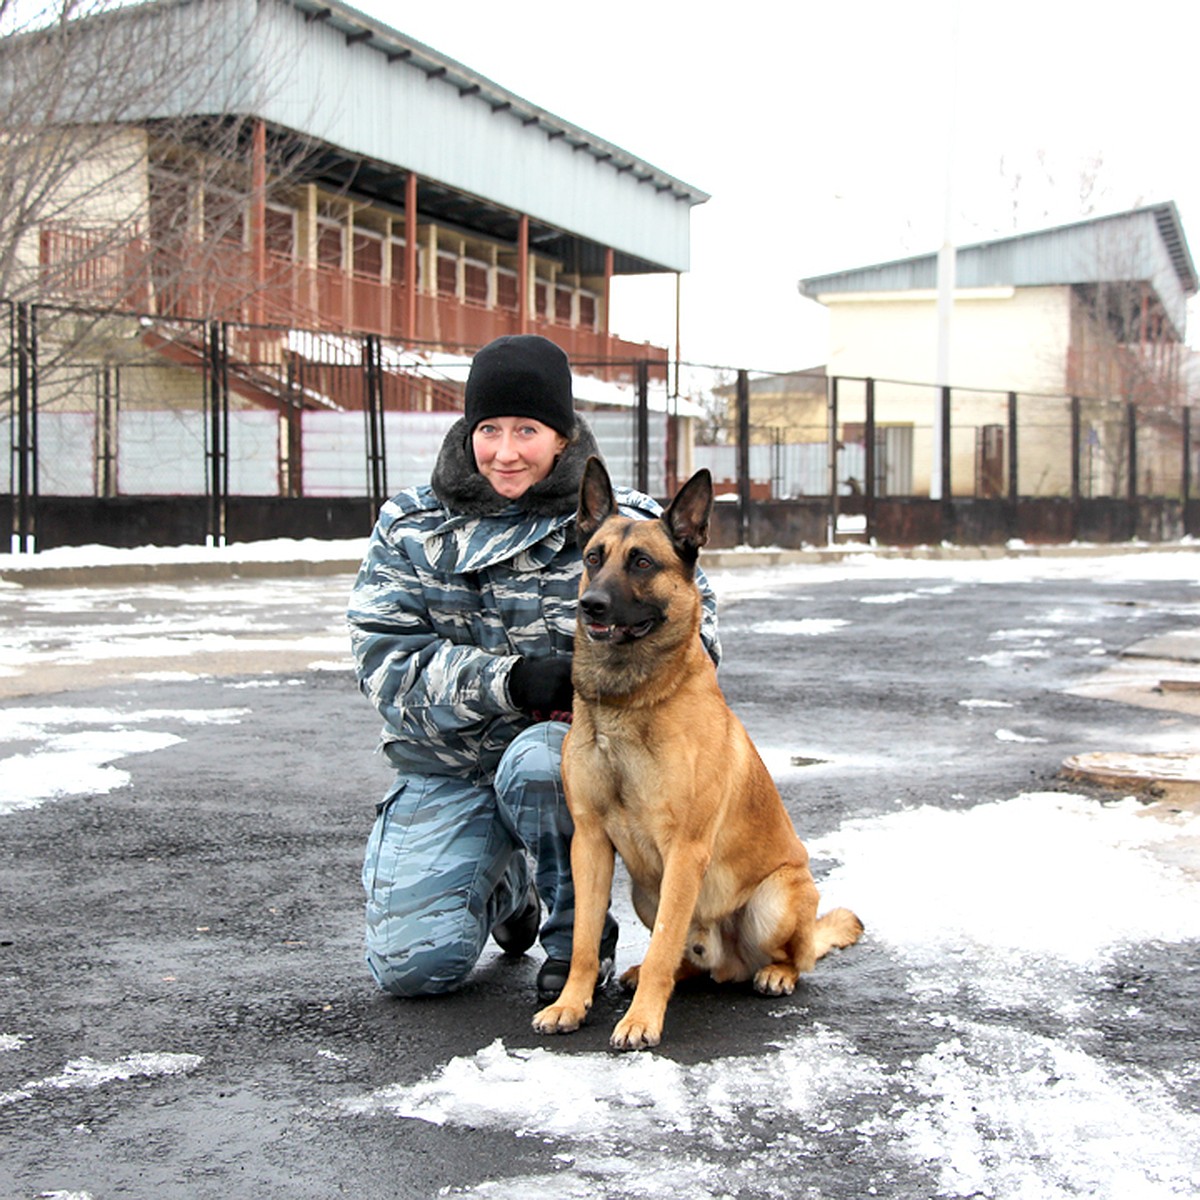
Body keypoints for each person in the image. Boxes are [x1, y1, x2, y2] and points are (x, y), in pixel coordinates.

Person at [347, 333, 720, 1001]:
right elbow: (386, 667)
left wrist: (620, 678)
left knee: (547, 762)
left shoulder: (623, 526)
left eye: (527, 428)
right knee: (413, 968)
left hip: (557, 762)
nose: (506, 450)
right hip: (448, 768)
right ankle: (504, 886)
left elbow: (697, 640)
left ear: (561, 434)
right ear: (468, 431)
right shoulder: (409, 525)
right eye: (488, 428)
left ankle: (577, 943)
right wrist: (512, 681)